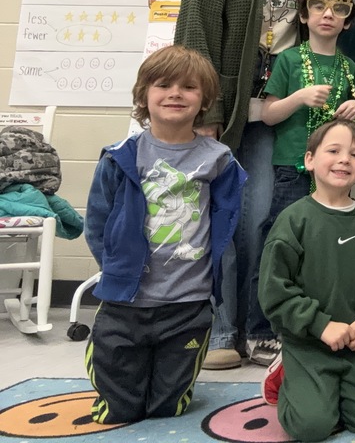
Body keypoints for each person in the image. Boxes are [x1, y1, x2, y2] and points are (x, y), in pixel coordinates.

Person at [175, 0, 312, 369]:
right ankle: (220, 333)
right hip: (224, 115)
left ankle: (258, 330)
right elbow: (194, 40)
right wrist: (205, 112)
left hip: (272, 115)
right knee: (221, 224)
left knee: (258, 223)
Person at [83, 46, 245, 423]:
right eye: (163, 84)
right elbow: (97, 222)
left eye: (189, 87)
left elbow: (225, 223)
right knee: (119, 409)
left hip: (187, 304)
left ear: (204, 99)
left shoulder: (219, 159)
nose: (176, 93)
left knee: (167, 408)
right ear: (144, 95)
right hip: (127, 302)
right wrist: (116, 269)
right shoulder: (120, 155)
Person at [243, 0, 355, 366]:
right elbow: (267, 113)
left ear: (347, 22)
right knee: (277, 249)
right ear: (304, 15)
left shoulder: (349, 68)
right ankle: (259, 331)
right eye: (319, 7)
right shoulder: (291, 61)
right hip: (293, 169)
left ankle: (317, 327)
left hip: (334, 176)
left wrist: (354, 112)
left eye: (339, 9)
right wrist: (298, 98)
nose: (328, 14)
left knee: (326, 253)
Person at [258, 120, 355, 442]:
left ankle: (331, 390)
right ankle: (285, 377)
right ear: (310, 160)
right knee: (311, 427)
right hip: (308, 343)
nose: (344, 160)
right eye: (333, 151)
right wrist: (319, 325)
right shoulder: (293, 220)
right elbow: (273, 292)